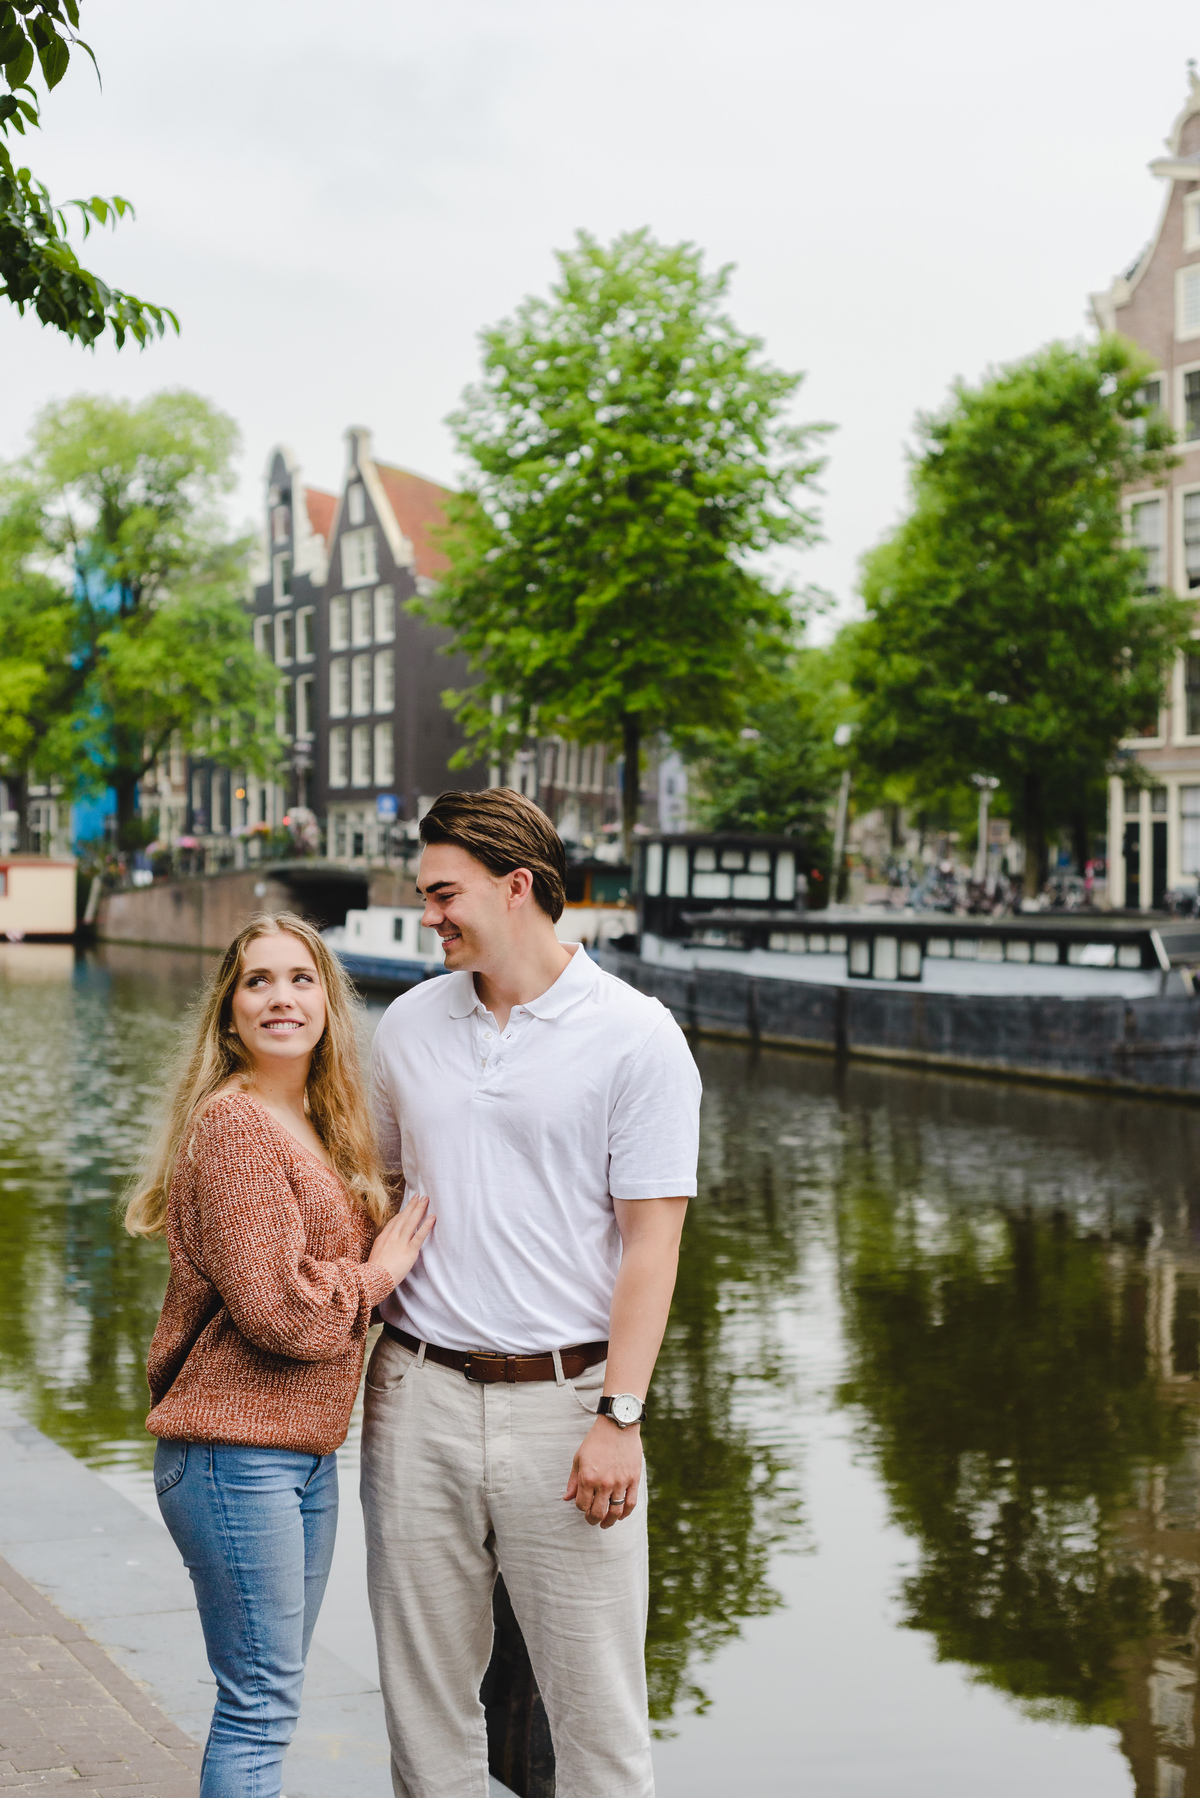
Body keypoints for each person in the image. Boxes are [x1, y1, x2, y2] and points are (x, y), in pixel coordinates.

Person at [363, 789, 702, 1798]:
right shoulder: (410, 1025)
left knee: (598, 1721)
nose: (428, 913)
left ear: (518, 888)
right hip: (414, 1395)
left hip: (570, 1407)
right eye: (422, 895)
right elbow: (378, 1196)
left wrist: (620, 1418)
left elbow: (654, 1243)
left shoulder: (637, 1037)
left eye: (443, 892)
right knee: (425, 1722)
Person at [126, 911, 433, 1798]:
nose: (281, 998)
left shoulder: (321, 1126)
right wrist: (377, 1276)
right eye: (257, 982)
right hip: (231, 1457)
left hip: (298, 1458)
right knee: (258, 1710)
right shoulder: (234, 1128)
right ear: (228, 1014)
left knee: (269, 1699)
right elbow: (279, 1315)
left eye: (300, 979)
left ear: (330, 1004)